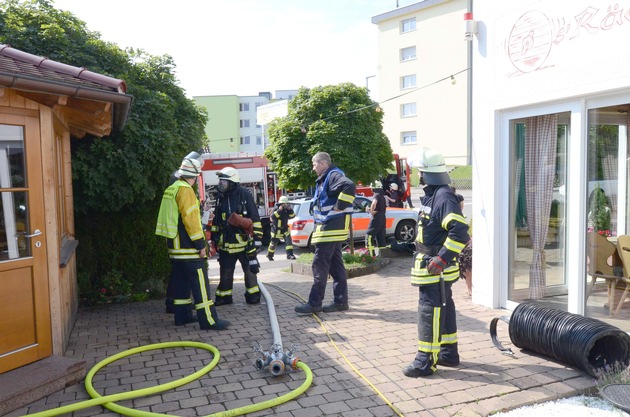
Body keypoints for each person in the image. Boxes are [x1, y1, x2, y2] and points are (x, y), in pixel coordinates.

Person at [403, 148, 469, 377]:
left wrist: (441, 259)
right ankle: (448, 353)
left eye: (419, 172)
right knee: (444, 306)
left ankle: (424, 362)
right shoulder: (437, 194)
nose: (418, 176)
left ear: (426, 174)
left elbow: (460, 231)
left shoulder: (442, 196)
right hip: (432, 267)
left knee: (429, 311)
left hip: (435, 269)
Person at [155, 152, 230, 330]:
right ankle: (209, 321)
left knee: (181, 283)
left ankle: (183, 316)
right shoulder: (186, 190)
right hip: (188, 248)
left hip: (174, 247)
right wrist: (200, 245)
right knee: (201, 286)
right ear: (195, 176)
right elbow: (190, 220)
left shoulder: (172, 188)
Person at [295, 152, 356, 315]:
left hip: (330, 229)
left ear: (322, 163)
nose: (313, 168)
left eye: (314, 164)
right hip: (332, 230)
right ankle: (340, 302)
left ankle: (314, 303)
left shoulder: (333, 175)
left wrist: (340, 206)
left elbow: (349, 186)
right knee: (336, 267)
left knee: (319, 266)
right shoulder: (328, 177)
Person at [209, 166, 263, 306]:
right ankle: (224, 297)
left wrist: (256, 241)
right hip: (226, 243)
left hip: (245, 244)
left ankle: (253, 296)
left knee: (250, 271)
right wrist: (214, 238)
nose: (221, 184)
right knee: (226, 272)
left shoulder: (244, 194)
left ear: (232, 182)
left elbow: (255, 218)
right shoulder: (221, 198)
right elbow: (216, 221)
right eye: (220, 181)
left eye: (224, 182)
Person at [267, 195, 297, 261]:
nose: (285, 205)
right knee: (273, 244)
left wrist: (290, 209)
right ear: (281, 203)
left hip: (285, 229)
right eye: (284, 203)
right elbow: (273, 217)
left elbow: (292, 216)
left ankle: (290, 255)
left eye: (286, 203)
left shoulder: (287, 210)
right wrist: (279, 210)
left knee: (288, 242)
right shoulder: (276, 209)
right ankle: (270, 255)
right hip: (276, 230)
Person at [366, 186, 387, 257]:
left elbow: (374, 203)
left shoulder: (376, 195)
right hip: (383, 218)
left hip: (376, 219)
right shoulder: (382, 196)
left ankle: (371, 256)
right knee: (381, 238)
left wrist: (371, 211)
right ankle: (383, 255)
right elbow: (379, 207)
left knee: (369, 236)